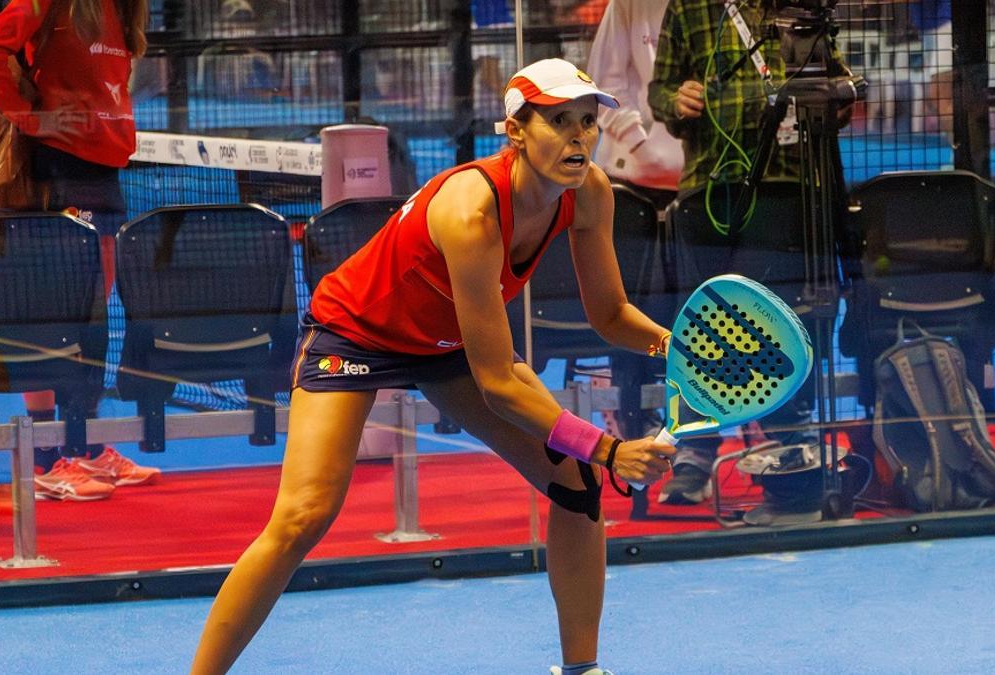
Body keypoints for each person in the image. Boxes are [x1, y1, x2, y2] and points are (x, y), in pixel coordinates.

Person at [191, 58, 677, 675]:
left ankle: (582, 670)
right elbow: (500, 385)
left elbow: (610, 316)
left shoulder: (589, 194)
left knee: (574, 487)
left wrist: (682, 349)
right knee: (302, 516)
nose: (580, 137)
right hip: (355, 332)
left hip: (447, 345)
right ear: (517, 131)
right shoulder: (471, 211)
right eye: (560, 121)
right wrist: (607, 450)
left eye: (587, 121)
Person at [648, 0, 851, 509]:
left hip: (786, 187)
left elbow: (841, 88)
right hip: (708, 184)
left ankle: (787, 443)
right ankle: (695, 451)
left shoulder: (801, 6)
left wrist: (830, 97)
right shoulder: (689, 7)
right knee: (703, 321)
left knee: (776, 318)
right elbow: (660, 90)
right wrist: (679, 99)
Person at [0, 0, 158, 501]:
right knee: (53, 321)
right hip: (57, 176)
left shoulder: (122, 10)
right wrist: (34, 118)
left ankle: (87, 445)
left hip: (105, 179)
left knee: (91, 323)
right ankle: (46, 460)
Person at [585, 0, 683, 197]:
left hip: (708, 178)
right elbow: (605, 85)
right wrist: (640, 145)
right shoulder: (627, 4)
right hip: (633, 177)